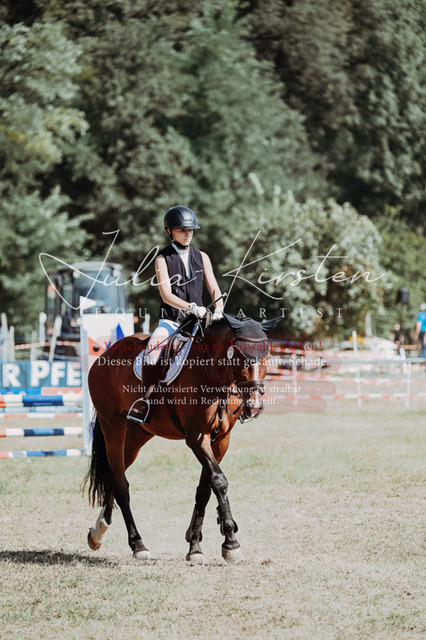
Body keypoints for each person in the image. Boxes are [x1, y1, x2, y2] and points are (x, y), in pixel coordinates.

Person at [127, 205, 224, 423]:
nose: (187, 234)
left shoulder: (203, 257)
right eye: (182, 230)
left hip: (200, 322)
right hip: (172, 321)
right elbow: (166, 294)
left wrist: (219, 309)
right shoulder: (162, 258)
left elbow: (215, 289)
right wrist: (190, 307)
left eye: (190, 230)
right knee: (152, 352)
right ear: (170, 231)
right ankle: (145, 402)